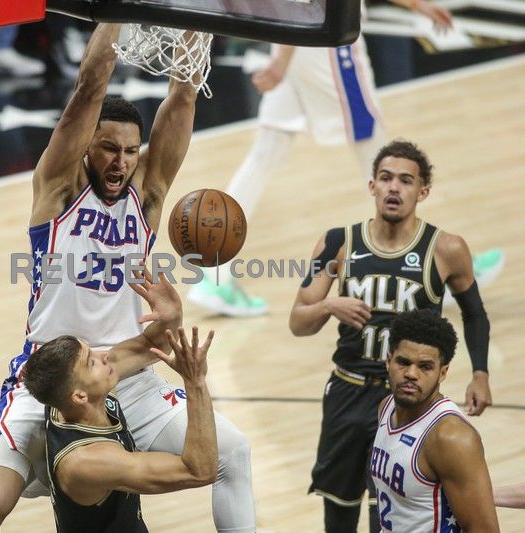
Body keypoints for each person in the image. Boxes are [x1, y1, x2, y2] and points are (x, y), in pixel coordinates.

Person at [0, 23, 256, 533]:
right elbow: (89, 86)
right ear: (86, 148)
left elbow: (183, 94)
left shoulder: (148, 195)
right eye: (108, 148)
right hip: (52, 375)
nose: (121, 161)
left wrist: (197, 17)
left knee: (233, 453)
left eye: (131, 151)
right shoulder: (58, 190)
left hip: (128, 375)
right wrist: (115, 13)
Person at [188, 0, 504, 316]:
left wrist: (415, 4)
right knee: (381, 156)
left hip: (296, 34)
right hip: (325, 36)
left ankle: (214, 275)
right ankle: (436, 271)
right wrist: (283, 59)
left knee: (266, 154)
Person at [288, 139, 493, 533]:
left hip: (407, 399)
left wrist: (480, 373)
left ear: (423, 192)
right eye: (385, 178)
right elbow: (298, 321)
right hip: (348, 391)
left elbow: (475, 314)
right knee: (338, 507)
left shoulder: (447, 248)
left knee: (388, 509)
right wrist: (329, 306)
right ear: (372, 186)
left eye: (405, 180)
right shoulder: (338, 242)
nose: (394, 188)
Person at [24, 271, 218, 531]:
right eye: (91, 362)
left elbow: (149, 343)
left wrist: (172, 316)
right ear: (79, 396)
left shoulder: (70, 396)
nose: (104, 355)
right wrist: (196, 383)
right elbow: (200, 470)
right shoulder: (88, 462)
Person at [371, 309, 499, 532]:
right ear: (388, 361)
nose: (411, 374)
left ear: (443, 372)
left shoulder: (450, 437)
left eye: (425, 366)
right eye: (403, 362)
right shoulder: (386, 407)